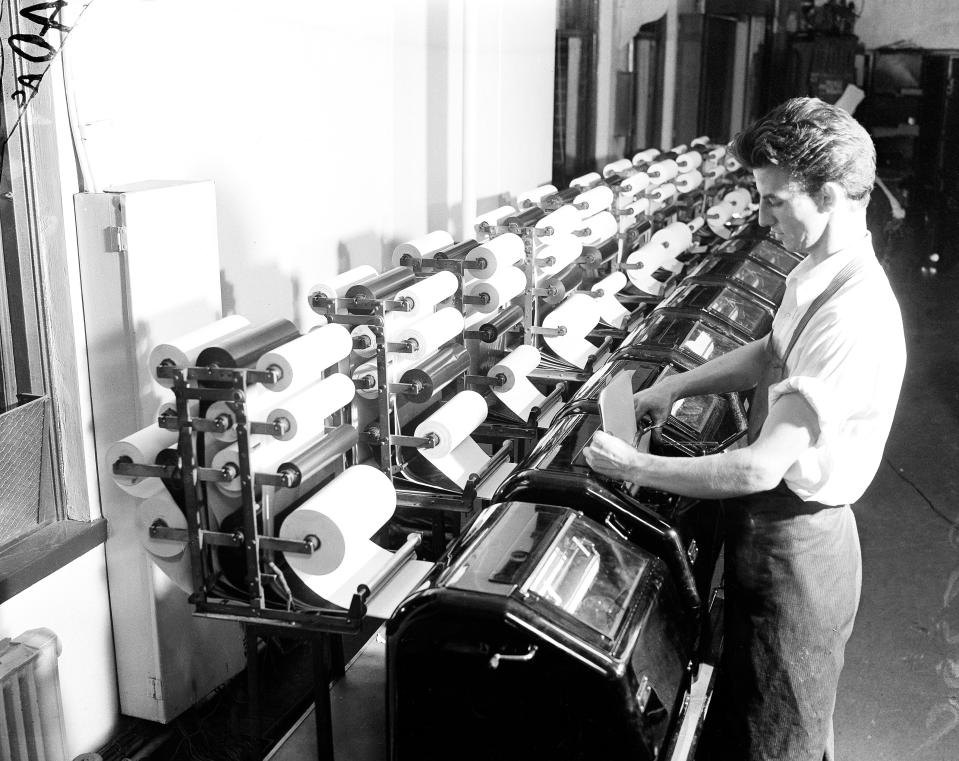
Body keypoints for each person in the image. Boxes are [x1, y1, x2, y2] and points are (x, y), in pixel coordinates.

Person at [584, 97, 906, 761]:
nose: (762, 219)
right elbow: (768, 352)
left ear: (834, 195)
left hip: (799, 550)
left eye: (775, 202)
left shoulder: (852, 314)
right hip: (773, 530)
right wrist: (670, 386)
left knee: (780, 736)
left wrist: (632, 469)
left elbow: (760, 465)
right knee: (748, 714)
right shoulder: (815, 270)